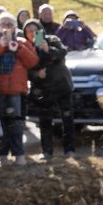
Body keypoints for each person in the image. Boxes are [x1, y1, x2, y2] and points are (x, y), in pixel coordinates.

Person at [0, 12, 39, 167]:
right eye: (3, 24)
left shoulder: (22, 41)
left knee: (16, 125)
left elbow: (32, 61)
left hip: (16, 90)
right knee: (0, 125)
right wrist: (1, 46)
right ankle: (3, 155)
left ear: (15, 27)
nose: (6, 27)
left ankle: (19, 155)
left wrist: (18, 48)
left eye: (9, 24)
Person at [22, 19, 74, 159]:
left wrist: (47, 49)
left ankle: (69, 150)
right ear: (25, 33)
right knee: (45, 121)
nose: (33, 33)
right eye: (29, 31)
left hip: (61, 86)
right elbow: (25, 70)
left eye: (35, 30)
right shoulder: (25, 46)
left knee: (67, 118)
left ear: (41, 30)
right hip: (42, 90)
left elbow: (62, 53)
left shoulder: (51, 39)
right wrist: (36, 74)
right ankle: (47, 151)